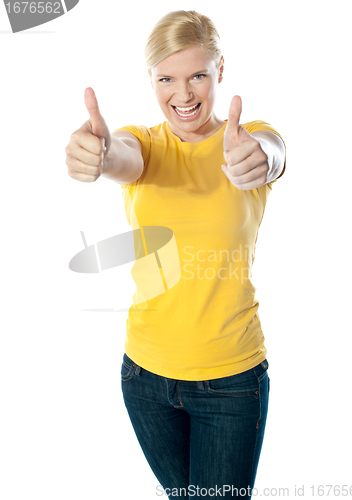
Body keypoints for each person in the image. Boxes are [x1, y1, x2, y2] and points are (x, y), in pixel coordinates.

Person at [65, 9, 286, 500]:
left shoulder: (247, 138)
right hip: (144, 378)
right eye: (166, 78)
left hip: (230, 382)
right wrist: (98, 154)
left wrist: (262, 156)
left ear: (220, 71)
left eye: (198, 76)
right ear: (151, 79)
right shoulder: (143, 144)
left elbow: (272, 151)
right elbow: (121, 155)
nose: (183, 95)